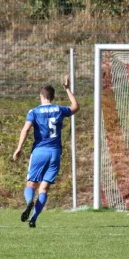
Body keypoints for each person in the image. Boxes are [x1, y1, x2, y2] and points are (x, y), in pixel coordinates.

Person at [12, 76, 79, 228]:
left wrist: (19, 147)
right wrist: (67, 88)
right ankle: (34, 218)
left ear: (41, 96)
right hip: (55, 153)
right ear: (53, 97)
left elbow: (26, 128)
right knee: (44, 188)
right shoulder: (59, 109)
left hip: (39, 151)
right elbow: (75, 106)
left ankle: (29, 202)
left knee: (31, 184)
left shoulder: (34, 111)